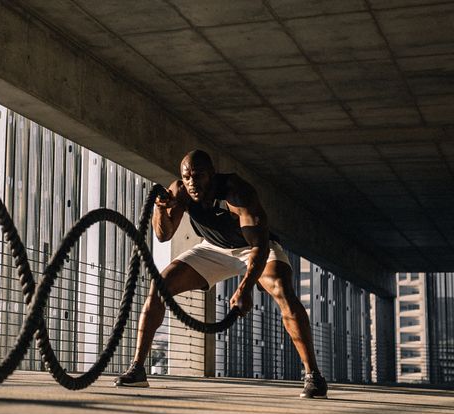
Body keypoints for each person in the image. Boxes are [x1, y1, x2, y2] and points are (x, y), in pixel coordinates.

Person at [114, 150, 327, 399]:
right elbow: (164, 235)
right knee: (159, 285)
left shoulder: (237, 192)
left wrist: (245, 287)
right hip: (213, 248)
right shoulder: (181, 190)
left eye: (198, 176)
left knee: (282, 289)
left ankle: (313, 375)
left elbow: (259, 246)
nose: (192, 183)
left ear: (212, 175)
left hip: (254, 248)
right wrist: (160, 209)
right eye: (187, 177)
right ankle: (138, 369)